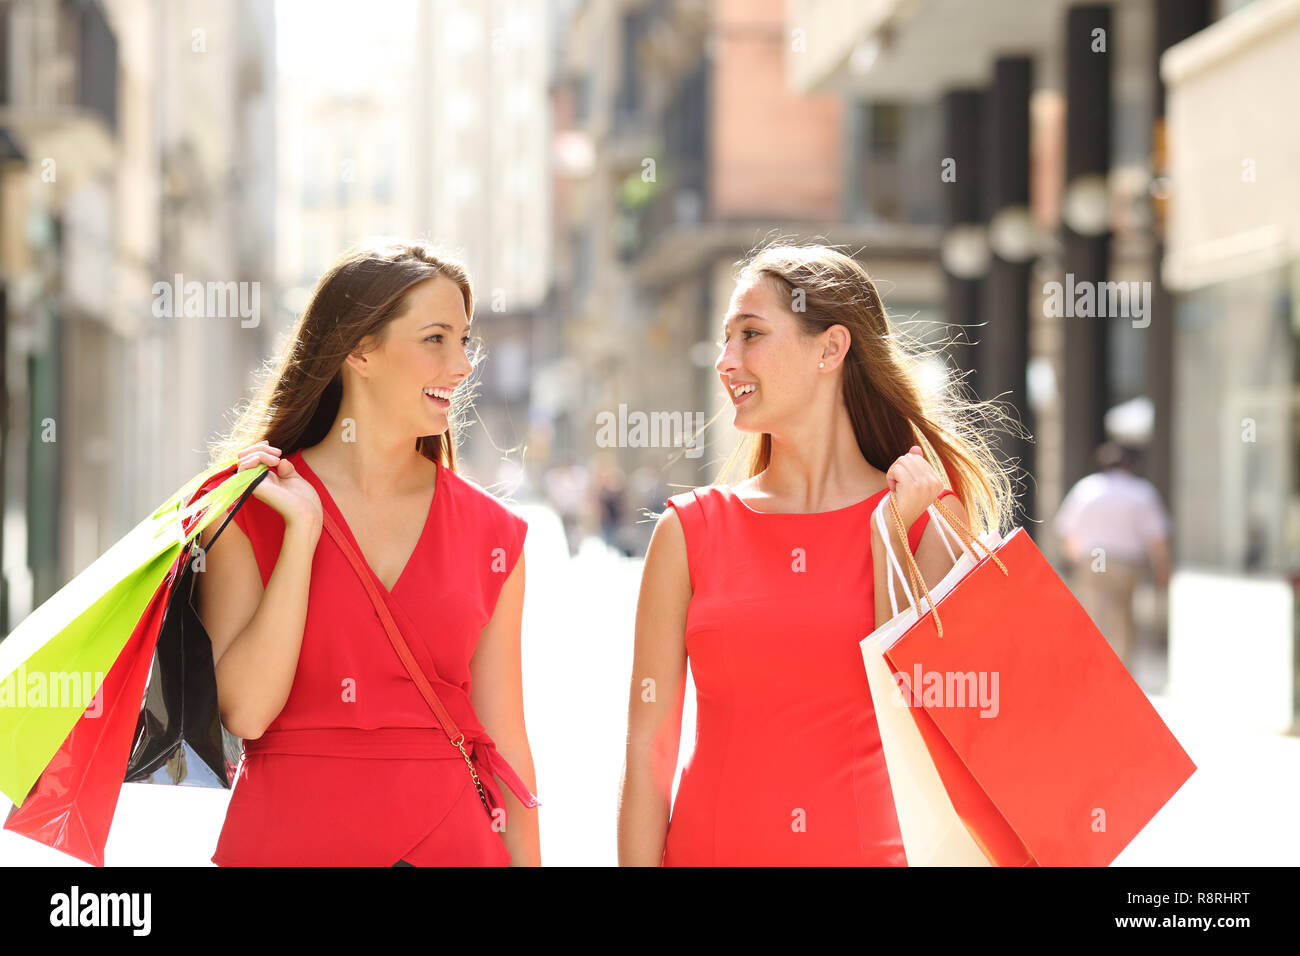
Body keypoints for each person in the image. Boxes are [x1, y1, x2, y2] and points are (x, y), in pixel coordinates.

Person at [617, 241, 1014, 866]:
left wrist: (890, 544)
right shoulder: (690, 532)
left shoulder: (924, 523)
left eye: (751, 334)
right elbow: (647, 755)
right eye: (725, 339)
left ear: (831, 349)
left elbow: (927, 729)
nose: (727, 360)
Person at [196, 239, 540, 866]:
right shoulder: (251, 509)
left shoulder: (495, 534)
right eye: (436, 339)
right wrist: (301, 538)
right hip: (286, 845)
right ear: (359, 348)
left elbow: (506, 742)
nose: (462, 365)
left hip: (452, 845)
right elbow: (246, 711)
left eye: (465, 341)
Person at [1054, 442, 1171, 672]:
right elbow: (1157, 537)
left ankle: (1092, 668)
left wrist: (1070, 561)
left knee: (1093, 615)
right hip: (1125, 563)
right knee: (1123, 619)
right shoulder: (1141, 491)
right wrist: (1163, 566)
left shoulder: (1086, 488)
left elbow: (1068, 531)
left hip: (1092, 561)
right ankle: (1120, 672)